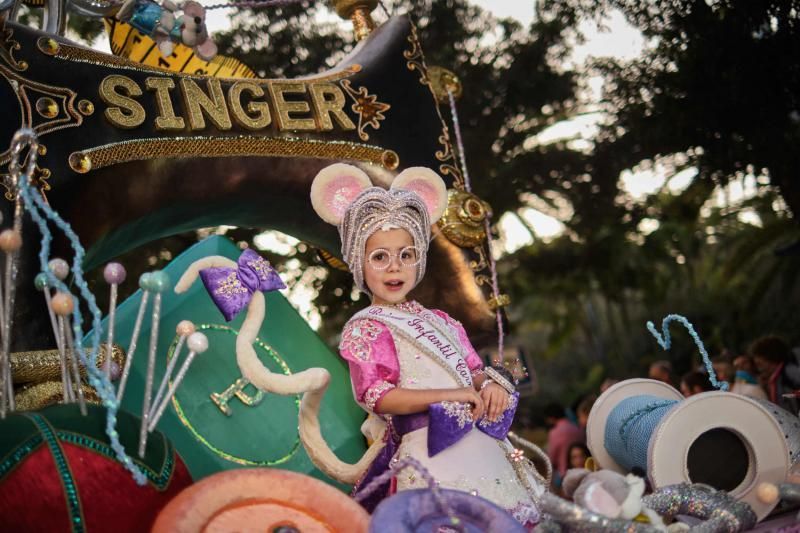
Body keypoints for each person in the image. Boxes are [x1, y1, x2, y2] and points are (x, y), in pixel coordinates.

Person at [310, 164, 544, 527]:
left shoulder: (443, 320)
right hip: (427, 452)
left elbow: (474, 371)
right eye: (379, 257)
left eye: (406, 254)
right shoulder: (366, 326)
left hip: (485, 449)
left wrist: (492, 384)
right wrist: (451, 394)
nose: (394, 268)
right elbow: (378, 396)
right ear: (359, 260)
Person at [749, 335, 800, 413]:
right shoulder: (775, 378)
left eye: (759, 356)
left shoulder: (789, 372)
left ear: (770, 355)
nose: (756, 361)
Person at [544, 402, 584, 480]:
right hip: (583, 469)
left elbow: (551, 458)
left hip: (565, 474)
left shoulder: (554, 433)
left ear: (551, 418)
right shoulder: (577, 428)